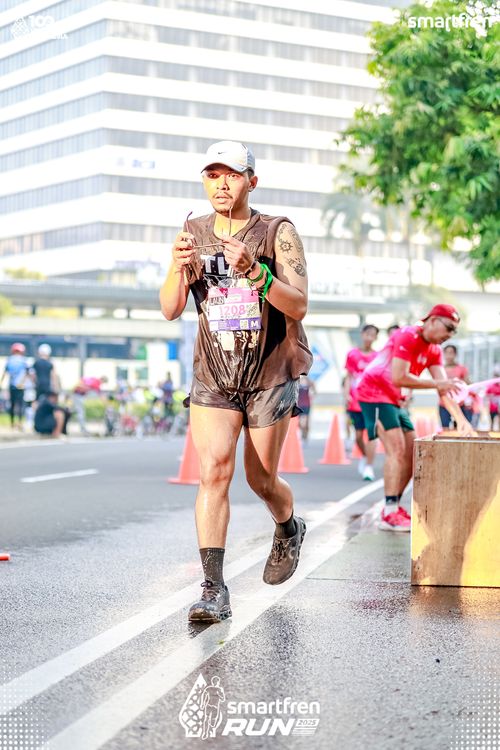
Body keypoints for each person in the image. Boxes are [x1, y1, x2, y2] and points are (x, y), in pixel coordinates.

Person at [159, 140, 313, 623]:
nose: (221, 183)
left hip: (268, 373)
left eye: (231, 174)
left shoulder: (277, 232)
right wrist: (177, 266)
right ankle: (213, 589)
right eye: (212, 174)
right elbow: (170, 309)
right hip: (214, 374)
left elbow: (299, 305)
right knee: (213, 473)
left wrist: (254, 271)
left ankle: (288, 525)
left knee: (260, 479)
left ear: (252, 181)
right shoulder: (193, 232)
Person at [357, 304, 473, 531]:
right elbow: (399, 377)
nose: (450, 335)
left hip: (395, 399)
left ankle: (391, 507)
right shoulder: (408, 335)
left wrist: (461, 420)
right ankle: (389, 513)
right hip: (373, 393)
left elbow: (443, 389)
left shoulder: (435, 350)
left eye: (454, 331)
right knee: (397, 450)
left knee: (413, 455)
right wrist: (439, 383)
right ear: (433, 320)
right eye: (449, 327)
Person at [344, 324, 379, 481]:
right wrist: (346, 394)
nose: (369, 337)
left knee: (372, 435)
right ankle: (365, 456)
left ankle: (369, 467)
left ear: (376, 338)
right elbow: (348, 376)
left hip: (372, 401)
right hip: (355, 402)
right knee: (358, 436)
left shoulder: (378, 356)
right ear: (362, 334)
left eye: (373, 335)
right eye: (367, 334)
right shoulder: (352, 354)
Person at [438, 345, 471, 429]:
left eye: (451, 353)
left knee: (460, 428)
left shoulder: (462, 368)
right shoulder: (439, 369)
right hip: (444, 404)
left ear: (455, 354)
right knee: (445, 428)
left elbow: (467, 384)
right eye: (446, 353)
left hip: (459, 404)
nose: (449, 355)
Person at [0, 343, 28, 429]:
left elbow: (5, 372)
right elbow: (26, 373)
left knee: (12, 404)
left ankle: (12, 423)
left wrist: (1, 382)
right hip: (20, 386)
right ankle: (19, 423)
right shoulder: (23, 360)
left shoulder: (10, 360)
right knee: (20, 404)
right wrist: (22, 382)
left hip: (12, 385)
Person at [297, 374, 316, 441]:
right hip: (299, 405)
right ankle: (302, 431)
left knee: (305, 420)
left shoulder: (309, 384)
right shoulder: (298, 384)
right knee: (300, 421)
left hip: (306, 405)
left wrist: (313, 390)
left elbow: (314, 392)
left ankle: (304, 433)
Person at [485, 365, 500, 431]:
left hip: (498, 408)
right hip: (492, 407)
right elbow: (486, 395)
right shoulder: (490, 386)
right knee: (491, 421)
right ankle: (491, 430)